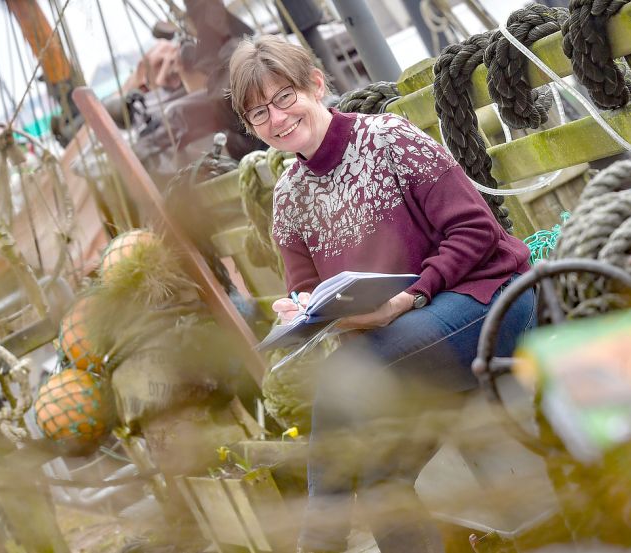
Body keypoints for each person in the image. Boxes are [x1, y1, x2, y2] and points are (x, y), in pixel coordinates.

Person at [228, 35, 536, 553]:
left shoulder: (388, 138)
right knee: (377, 480)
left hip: (487, 299)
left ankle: (317, 538)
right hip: (398, 353)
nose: (277, 119)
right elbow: (309, 291)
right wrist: (301, 311)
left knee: (355, 371)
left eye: (284, 98)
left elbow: (475, 232)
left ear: (316, 85)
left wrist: (408, 298)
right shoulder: (288, 197)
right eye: (259, 113)